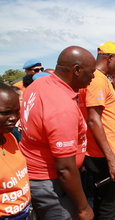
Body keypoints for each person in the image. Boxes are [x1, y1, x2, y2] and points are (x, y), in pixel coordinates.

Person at [19, 46, 95, 219]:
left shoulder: (39, 84)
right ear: (76, 70)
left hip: (36, 176)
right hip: (52, 182)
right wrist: (83, 208)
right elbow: (65, 169)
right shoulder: (61, 107)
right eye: (91, 72)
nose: (93, 77)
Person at [78, 41, 115, 219]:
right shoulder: (97, 80)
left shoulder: (101, 79)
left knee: (103, 201)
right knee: (109, 205)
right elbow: (93, 120)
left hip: (105, 152)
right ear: (109, 58)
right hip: (102, 155)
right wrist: (111, 158)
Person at [0, 83, 31, 219]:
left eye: (16, 111)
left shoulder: (10, 137)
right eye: (5, 113)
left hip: (24, 213)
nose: (14, 118)